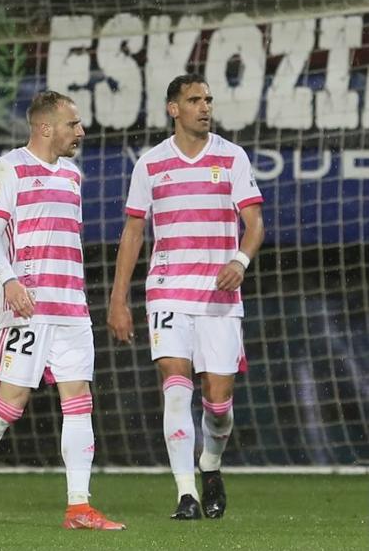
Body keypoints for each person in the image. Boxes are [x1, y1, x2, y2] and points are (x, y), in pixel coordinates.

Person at [0, 91, 125, 532]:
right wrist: (10, 279)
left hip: (72, 307)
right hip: (27, 307)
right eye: (73, 125)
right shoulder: (9, 168)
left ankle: (78, 506)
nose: (80, 132)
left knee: (79, 402)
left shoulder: (72, 174)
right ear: (45, 127)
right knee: (9, 407)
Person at [108, 73, 264, 520]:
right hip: (168, 290)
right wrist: (119, 298)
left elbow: (254, 224)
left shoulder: (232, 157)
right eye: (194, 99)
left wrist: (240, 261)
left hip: (219, 296)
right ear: (173, 109)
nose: (205, 106)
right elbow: (134, 232)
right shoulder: (151, 164)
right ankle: (185, 494)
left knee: (217, 403)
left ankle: (210, 464)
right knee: (176, 390)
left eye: (208, 99)